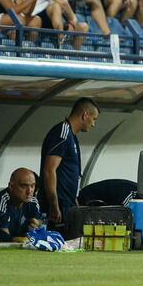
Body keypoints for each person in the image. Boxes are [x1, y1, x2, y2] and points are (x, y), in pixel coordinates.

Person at [40, 97, 99, 229]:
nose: (93, 124)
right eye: (94, 119)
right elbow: (49, 170)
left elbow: (72, 175)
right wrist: (54, 204)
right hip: (59, 205)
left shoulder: (72, 137)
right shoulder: (62, 133)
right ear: (85, 115)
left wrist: (75, 203)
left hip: (68, 204)